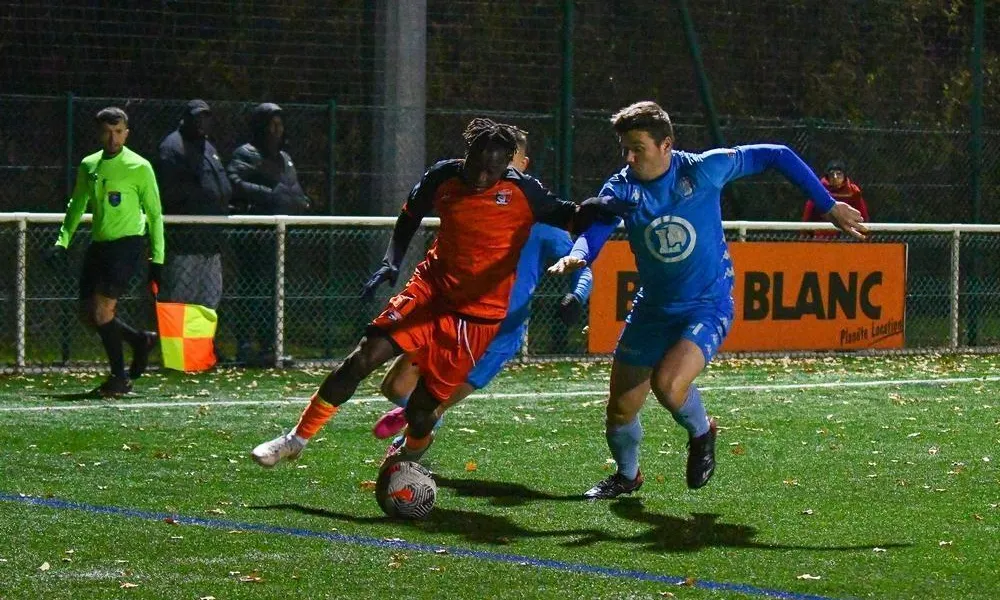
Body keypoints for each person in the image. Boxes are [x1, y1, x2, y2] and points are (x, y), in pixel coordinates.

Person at [549, 101, 867, 499]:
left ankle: (702, 431)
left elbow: (777, 155)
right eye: (624, 149)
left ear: (666, 145)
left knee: (668, 384)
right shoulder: (622, 187)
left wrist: (827, 204)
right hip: (652, 308)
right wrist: (579, 254)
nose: (629, 158)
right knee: (620, 410)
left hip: (707, 304)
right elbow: (596, 230)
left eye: (637, 148)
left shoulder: (703, 169)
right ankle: (627, 476)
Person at [250, 118, 585, 469]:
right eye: (476, 165)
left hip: (478, 317)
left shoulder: (526, 193)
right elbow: (410, 215)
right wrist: (391, 261)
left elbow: (578, 217)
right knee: (363, 358)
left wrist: (608, 214)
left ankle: (404, 461)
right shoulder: (444, 177)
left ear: (506, 166)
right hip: (430, 292)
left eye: (492, 169)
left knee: (424, 411)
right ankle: (295, 440)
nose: (482, 177)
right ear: (465, 154)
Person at [371, 127, 594, 446]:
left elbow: (581, 263)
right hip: (452, 317)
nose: (496, 167)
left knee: (429, 411)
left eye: (507, 160)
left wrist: (577, 296)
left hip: (497, 335)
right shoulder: (469, 197)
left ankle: (408, 462)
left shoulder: (541, 219)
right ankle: (420, 421)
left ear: (522, 163)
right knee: (394, 387)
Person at [49, 107, 164, 397]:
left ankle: (119, 379)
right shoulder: (89, 165)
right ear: (99, 133)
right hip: (99, 245)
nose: (113, 138)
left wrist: (157, 259)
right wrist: (62, 242)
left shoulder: (139, 167)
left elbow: (154, 215)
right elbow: (77, 205)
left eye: (118, 131)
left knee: (102, 311)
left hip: (127, 245)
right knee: (88, 315)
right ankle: (139, 340)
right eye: (107, 132)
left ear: (126, 132)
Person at [227, 102, 310, 365]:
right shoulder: (246, 154)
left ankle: (269, 346)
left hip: (278, 236)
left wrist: (299, 201)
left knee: (274, 290)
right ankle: (245, 345)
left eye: (279, 124)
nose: (276, 130)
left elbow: (293, 189)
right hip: (253, 235)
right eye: (271, 124)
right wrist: (268, 196)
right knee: (251, 288)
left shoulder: (284, 158)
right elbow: (234, 182)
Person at [156, 99, 231, 312]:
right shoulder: (172, 147)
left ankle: (202, 346)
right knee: (180, 304)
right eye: (197, 117)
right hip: (185, 244)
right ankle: (177, 347)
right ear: (186, 119)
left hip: (210, 243)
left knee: (208, 306)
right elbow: (169, 192)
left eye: (206, 117)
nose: (201, 122)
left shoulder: (208, 147)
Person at [802, 159, 869, 239]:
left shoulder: (853, 192)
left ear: (844, 176)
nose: (835, 177)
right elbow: (808, 216)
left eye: (839, 174)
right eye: (831, 174)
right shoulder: (819, 191)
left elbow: (862, 216)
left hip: (848, 236)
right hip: (822, 236)